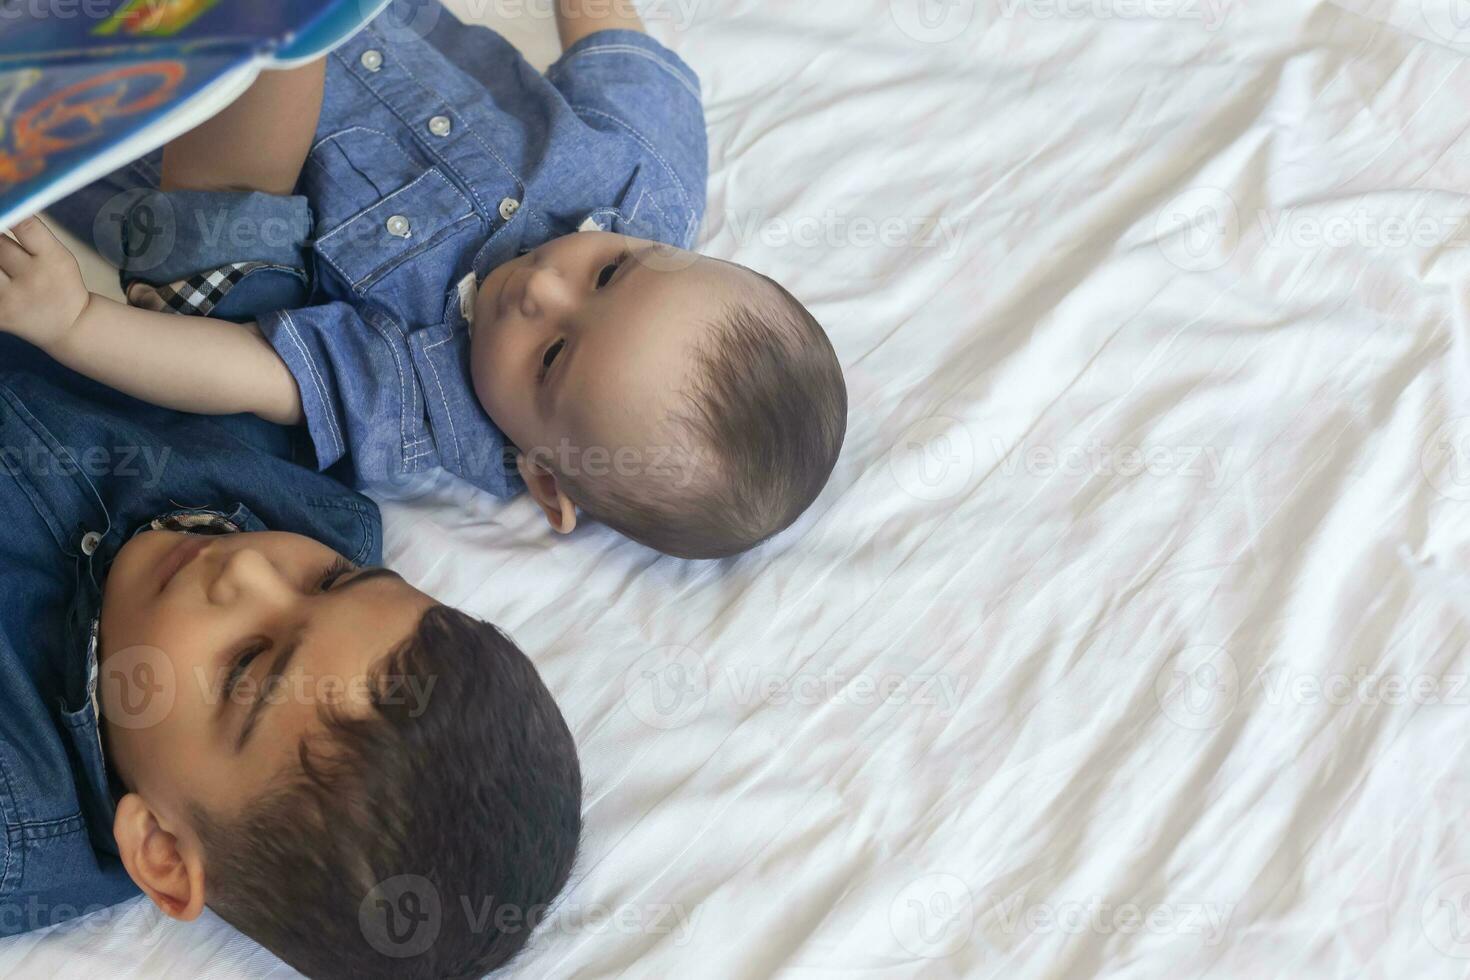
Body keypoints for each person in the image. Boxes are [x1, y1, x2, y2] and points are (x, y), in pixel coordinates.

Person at [32, 0, 849, 561]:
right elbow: (614, 48)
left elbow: (247, 369)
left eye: (553, 355)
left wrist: (73, 323)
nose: (541, 291)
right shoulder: (647, 185)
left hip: (150, 104)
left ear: (543, 477)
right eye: (608, 272)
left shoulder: (421, 401)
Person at [0, 335, 581, 979]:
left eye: (247, 663)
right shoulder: (314, 508)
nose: (249, 565)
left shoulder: (15, 813)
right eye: (333, 580)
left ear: (161, 849)